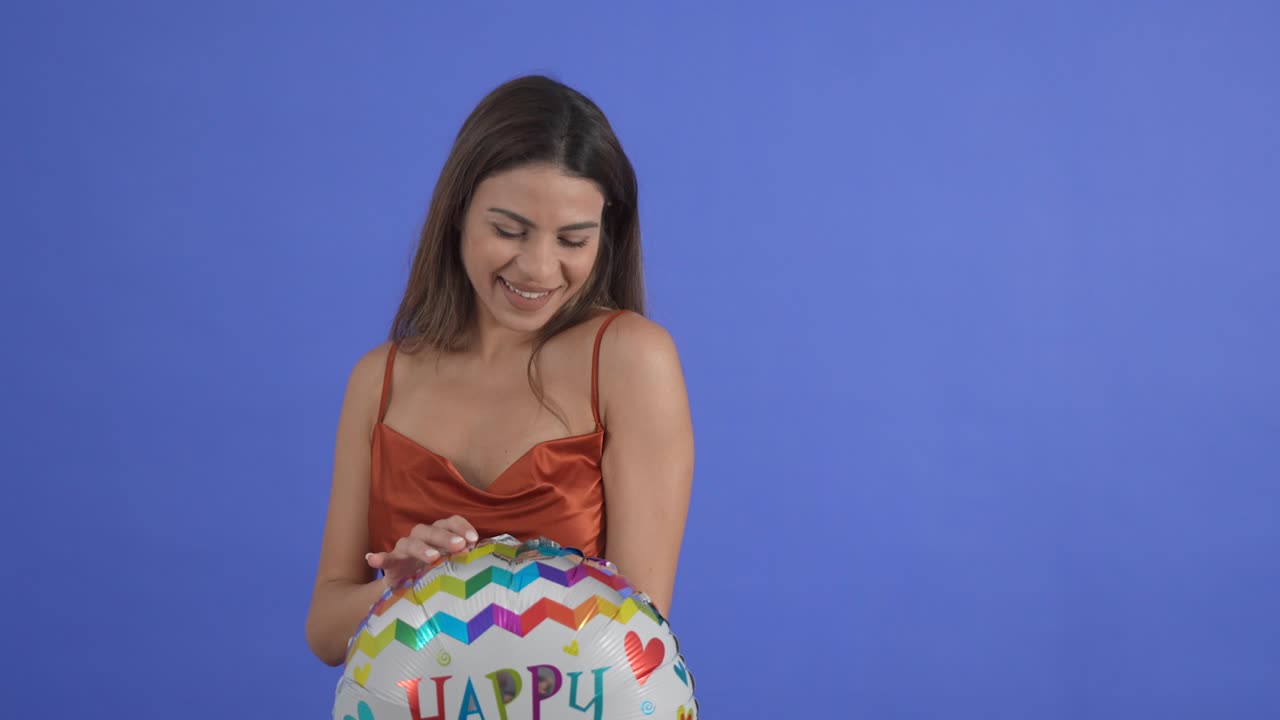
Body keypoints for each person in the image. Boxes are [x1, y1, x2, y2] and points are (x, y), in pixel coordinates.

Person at [305, 75, 695, 667]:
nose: (539, 267)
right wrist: (398, 588)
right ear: (458, 214)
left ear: (605, 236)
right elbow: (327, 634)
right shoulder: (379, 379)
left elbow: (636, 635)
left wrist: (473, 591)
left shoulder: (628, 359)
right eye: (508, 230)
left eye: (572, 239)